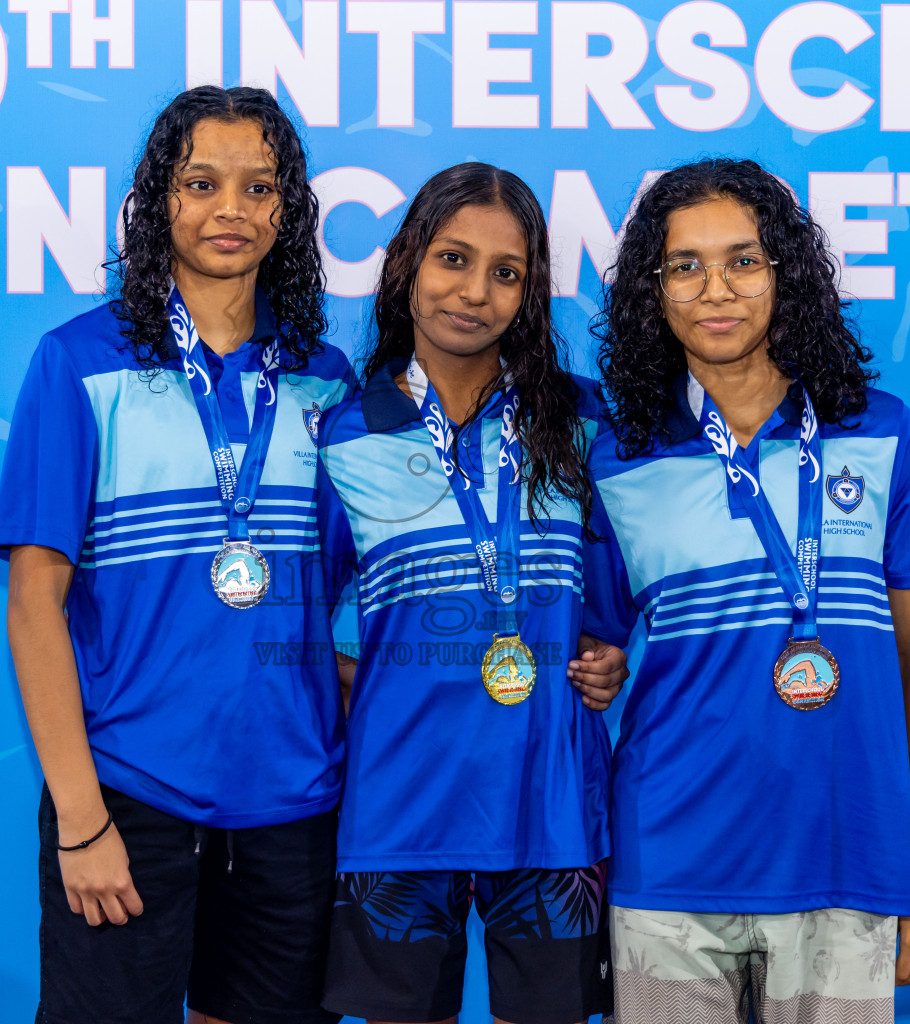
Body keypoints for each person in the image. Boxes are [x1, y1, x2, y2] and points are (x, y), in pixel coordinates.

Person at [0, 85, 352, 1024]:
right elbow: (34, 606)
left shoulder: (324, 377)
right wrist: (80, 820)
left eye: (259, 187)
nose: (230, 209)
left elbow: (347, 593)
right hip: (130, 799)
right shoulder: (80, 363)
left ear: (288, 211)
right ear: (159, 201)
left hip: (293, 805)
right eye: (201, 182)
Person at [585, 158, 910, 1023]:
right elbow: (596, 650)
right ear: (655, 291)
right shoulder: (619, 458)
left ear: (784, 274)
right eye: (685, 266)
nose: (716, 289)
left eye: (743, 260)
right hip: (668, 860)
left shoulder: (884, 432)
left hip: (845, 858)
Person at [315, 162, 626, 1024]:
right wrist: (368, 684)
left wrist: (608, 656)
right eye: (453, 259)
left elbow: (612, 605)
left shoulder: (582, 422)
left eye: (506, 272)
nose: (475, 292)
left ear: (530, 294)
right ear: (408, 261)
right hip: (399, 806)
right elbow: (309, 619)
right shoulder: (342, 433)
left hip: (552, 807)